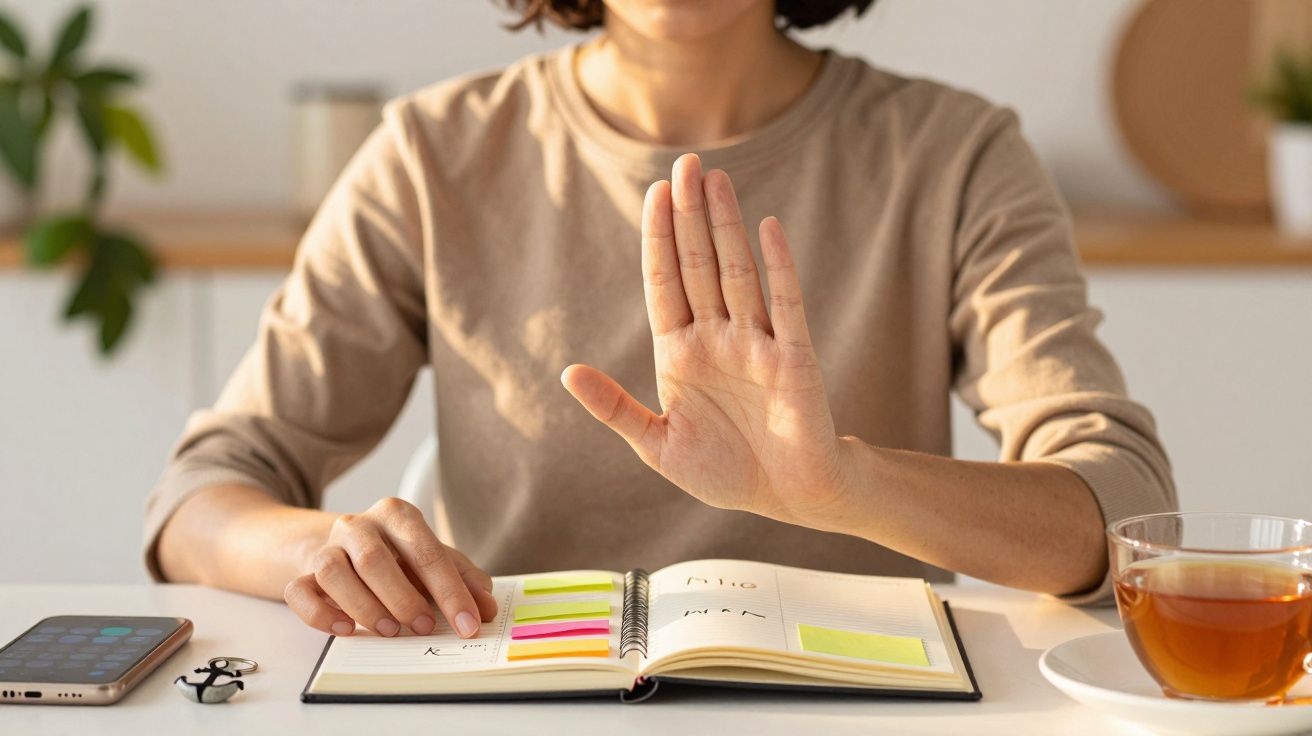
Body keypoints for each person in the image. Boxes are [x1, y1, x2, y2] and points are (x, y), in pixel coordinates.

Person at [146, 0, 1176, 641]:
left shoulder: (954, 154)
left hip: (864, 709)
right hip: (520, 703)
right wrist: (319, 551)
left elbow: (1121, 509)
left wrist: (843, 485)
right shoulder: (430, 156)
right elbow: (202, 494)